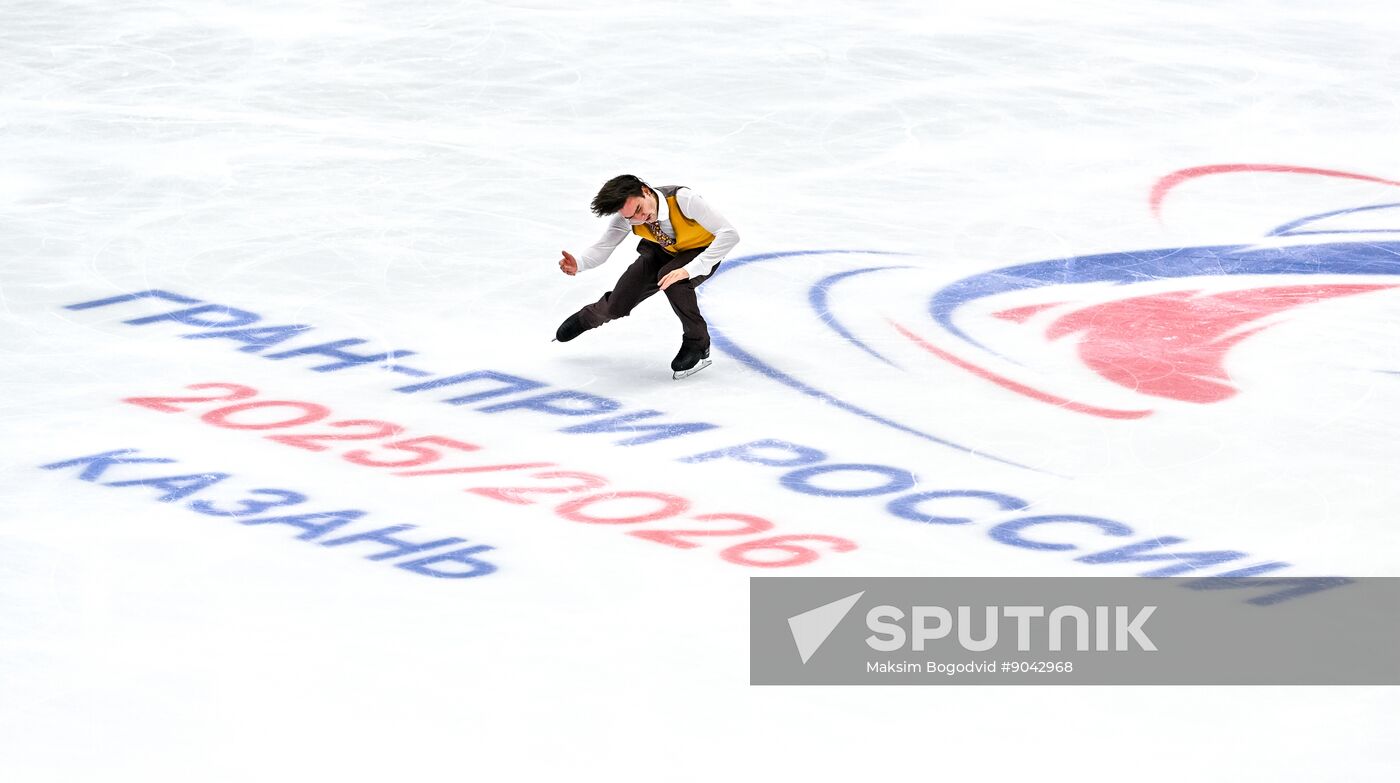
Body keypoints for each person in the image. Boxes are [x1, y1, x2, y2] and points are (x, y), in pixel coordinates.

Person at [554, 174, 741, 379]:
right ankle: (587, 317)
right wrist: (580, 263)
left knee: (673, 280)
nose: (641, 218)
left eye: (639, 209)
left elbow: (729, 234)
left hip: (701, 250)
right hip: (661, 251)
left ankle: (697, 342)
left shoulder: (683, 200)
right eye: (631, 217)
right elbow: (604, 247)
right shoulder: (627, 218)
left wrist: (690, 269)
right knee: (617, 305)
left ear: (645, 190)